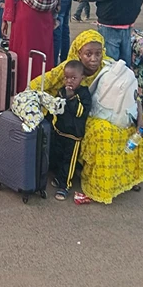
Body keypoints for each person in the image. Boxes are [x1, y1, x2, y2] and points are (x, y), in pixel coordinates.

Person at [28, 30, 143, 205]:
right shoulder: (69, 69)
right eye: (88, 54)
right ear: (79, 53)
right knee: (104, 133)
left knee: (142, 125)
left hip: (111, 113)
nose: (94, 59)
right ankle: (99, 182)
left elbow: (132, 96)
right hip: (79, 118)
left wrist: (140, 119)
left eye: (98, 53)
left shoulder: (109, 67)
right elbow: (37, 84)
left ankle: (127, 178)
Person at [47, 60, 92, 200]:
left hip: (73, 137)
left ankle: (64, 186)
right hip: (60, 132)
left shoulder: (84, 94)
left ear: (81, 78)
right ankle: (59, 177)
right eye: (67, 78)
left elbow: (80, 112)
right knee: (58, 157)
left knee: (69, 162)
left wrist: (71, 98)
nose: (69, 81)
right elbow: (56, 109)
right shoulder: (61, 91)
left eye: (73, 78)